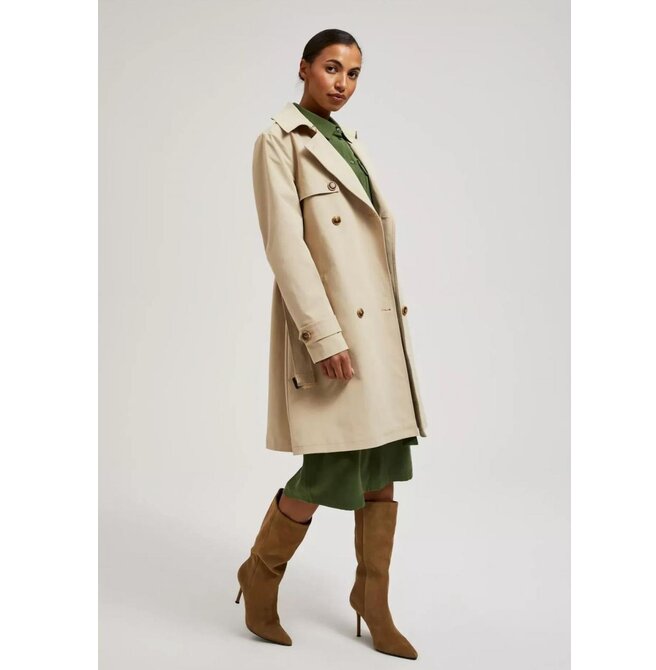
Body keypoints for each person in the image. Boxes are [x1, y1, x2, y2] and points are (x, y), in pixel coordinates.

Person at [235, 29, 428, 660]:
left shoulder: (350, 141)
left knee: (383, 467)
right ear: (304, 68)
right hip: (335, 329)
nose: (342, 83)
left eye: (353, 74)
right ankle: (260, 574)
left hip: (379, 334)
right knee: (329, 468)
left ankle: (373, 601)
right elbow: (285, 247)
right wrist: (322, 335)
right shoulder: (279, 139)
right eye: (331, 68)